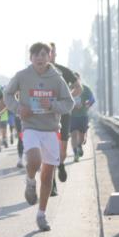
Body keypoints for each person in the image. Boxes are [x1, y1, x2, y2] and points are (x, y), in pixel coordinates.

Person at [4, 43, 74, 231]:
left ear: (49, 56)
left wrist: (52, 105)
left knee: (48, 175)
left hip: (51, 129)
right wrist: (19, 108)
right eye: (36, 55)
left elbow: (69, 103)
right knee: (34, 159)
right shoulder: (22, 76)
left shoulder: (57, 79)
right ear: (31, 58)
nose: (40, 58)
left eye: (43, 54)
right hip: (31, 127)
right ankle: (29, 181)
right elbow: (7, 94)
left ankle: (42, 215)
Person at [49, 42, 78, 190]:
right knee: (50, 149)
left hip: (64, 114)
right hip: (47, 117)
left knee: (63, 151)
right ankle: (51, 182)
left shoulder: (64, 71)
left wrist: (67, 98)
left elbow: (78, 87)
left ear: (55, 54)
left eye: (52, 52)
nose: (49, 55)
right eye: (47, 52)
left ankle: (60, 164)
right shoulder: (37, 73)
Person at [69, 73, 96, 162]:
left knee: (82, 137)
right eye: (73, 79)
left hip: (83, 115)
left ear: (79, 79)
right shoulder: (68, 89)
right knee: (73, 135)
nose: (75, 81)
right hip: (72, 116)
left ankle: (79, 146)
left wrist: (87, 105)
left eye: (76, 79)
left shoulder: (85, 88)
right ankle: (75, 153)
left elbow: (92, 99)